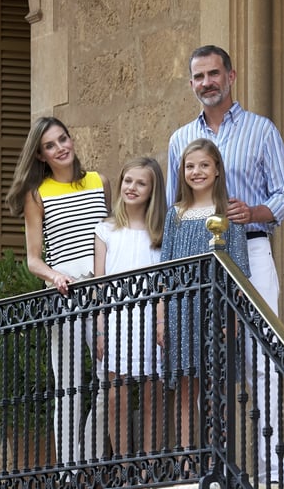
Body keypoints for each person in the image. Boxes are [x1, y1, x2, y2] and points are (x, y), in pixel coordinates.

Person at [166, 45, 284, 484]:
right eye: (199, 76)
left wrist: (253, 212)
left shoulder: (261, 130)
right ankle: (209, 467)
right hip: (196, 260)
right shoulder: (179, 140)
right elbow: (173, 205)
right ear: (191, 83)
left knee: (262, 354)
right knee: (200, 361)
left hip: (252, 250)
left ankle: (270, 470)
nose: (207, 82)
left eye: (214, 74)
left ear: (231, 75)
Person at [5, 116, 110, 467]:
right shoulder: (37, 194)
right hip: (64, 290)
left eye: (63, 139)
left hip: (104, 289)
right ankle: (68, 472)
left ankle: (89, 462)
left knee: (109, 380)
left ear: (71, 139)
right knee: (68, 387)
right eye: (50, 145)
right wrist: (54, 277)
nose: (60, 148)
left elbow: (110, 238)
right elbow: (33, 260)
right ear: (40, 155)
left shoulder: (100, 182)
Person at [158, 138, 250, 450]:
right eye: (190, 166)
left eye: (204, 165)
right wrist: (161, 318)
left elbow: (238, 272)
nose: (197, 171)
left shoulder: (228, 212)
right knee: (185, 385)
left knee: (215, 387)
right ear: (182, 171)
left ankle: (215, 459)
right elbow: (164, 273)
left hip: (215, 310)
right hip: (180, 311)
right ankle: (185, 458)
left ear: (217, 170)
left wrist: (232, 318)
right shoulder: (175, 215)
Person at [93, 157, 166, 457]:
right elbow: (99, 285)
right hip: (116, 320)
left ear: (152, 190)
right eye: (127, 180)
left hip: (151, 319)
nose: (132, 188)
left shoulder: (161, 233)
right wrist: (99, 330)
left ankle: (150, 471)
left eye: (141, 183)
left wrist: (162, 323)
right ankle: (124, 469)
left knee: (153, 397)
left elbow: (165, 283)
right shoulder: (106, 230)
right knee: (116, 400)